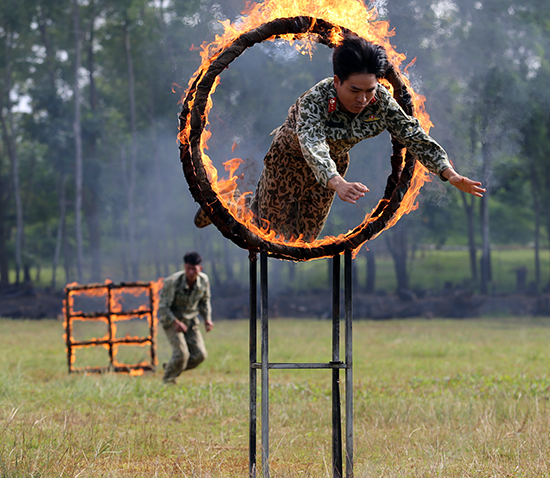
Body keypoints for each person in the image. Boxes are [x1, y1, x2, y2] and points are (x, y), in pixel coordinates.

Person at [196, 34, 485, 240]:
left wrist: (449, 173)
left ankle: (253, 204)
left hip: (334, 166)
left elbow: (413, 134)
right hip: (291, 159)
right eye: (355, 90)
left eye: (370, 90)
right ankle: (230, 200)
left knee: (303, 238)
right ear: (337, 82)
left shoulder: (381, 101)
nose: (363, 99)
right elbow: (312, 144)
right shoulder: (316, 99)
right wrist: (337, 183)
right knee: (266, 228)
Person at [158, 251, 213, 384]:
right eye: (188, 268)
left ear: (200, 268)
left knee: (200, 355)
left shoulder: (203, 281)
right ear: (184, 267)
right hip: (172, 320)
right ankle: (167, 381)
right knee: (182, 354)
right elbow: (163, 307)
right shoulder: (173, 282)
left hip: (190, 320)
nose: (191, 272)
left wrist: (207, 318)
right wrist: (175, 322)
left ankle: (172, 366)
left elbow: (204, 301)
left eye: (194, 269)